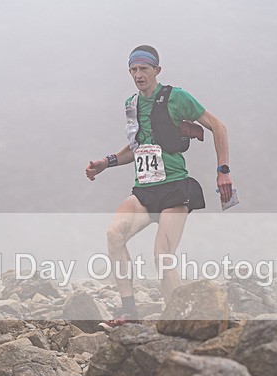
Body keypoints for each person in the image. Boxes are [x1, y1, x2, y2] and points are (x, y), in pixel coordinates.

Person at [86, 45, 233, 322]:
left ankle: (177, 318)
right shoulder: (131, 104)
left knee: (162, 254)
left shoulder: (177, 97)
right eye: (133, 70)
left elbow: (219, 127)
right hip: (144, 190)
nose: (138, 75)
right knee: (114, 235)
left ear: (157, 70)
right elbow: (136, 147)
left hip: (175, 188)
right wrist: (107, 162)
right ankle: (129, 310)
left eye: (144, 69)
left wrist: (223, 170)